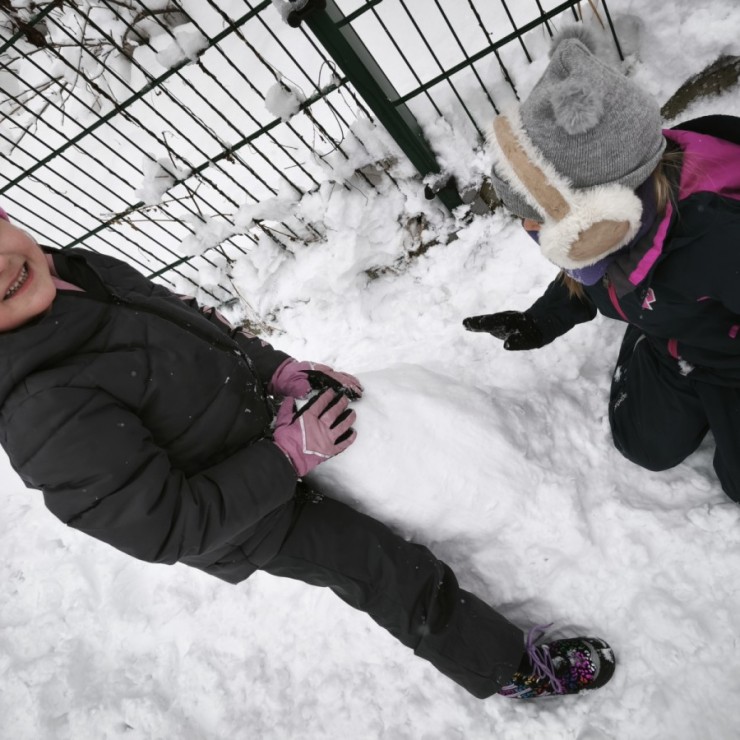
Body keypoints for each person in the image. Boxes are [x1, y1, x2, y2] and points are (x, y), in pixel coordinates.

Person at [0, 205, 613, 701]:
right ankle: (509, 669)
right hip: (249, 518)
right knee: (386, 570)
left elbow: (190, 324)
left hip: (266, 422)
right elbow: (169, 526)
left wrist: (277, 369)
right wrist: (286, 456)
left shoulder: (73, 269)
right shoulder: (39, 410)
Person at [464, 26, 740, 505]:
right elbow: (593, 278)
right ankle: (649, 330)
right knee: (644, 445)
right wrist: (542, 320)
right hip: (674, 341)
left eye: (539, 219)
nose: (530, 230)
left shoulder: (719, 239)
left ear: (603, 212)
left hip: (729, 357)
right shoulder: (617, 231)